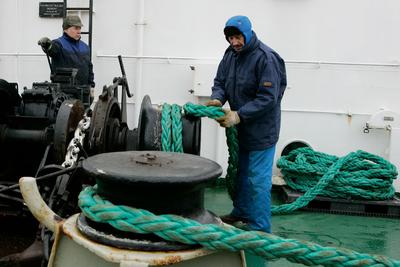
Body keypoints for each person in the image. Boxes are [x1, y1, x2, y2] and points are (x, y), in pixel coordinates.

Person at [206, 15, 287, 233]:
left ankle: (260, 227)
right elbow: (221, 81)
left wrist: (239, 115)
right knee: (240, 173)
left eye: (238, 37)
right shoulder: (231, 55)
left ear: (248, 33)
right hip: (240, 129)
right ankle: (241, 212)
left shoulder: (266, 58)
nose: (234, 42)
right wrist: (217, 98)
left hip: (261, 131)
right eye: (230, 38)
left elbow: (268, 98)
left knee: (258, 180)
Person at [38, 15, 95, 87]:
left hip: (83, 92)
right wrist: (47, 45)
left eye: (80, 28)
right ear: (65, 29)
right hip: (64, 92)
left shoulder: (85, 47)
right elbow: (52, 49)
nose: (79, 31)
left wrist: (91, 86)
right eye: (76, 28)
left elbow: (89, 68)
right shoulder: (58, 44)